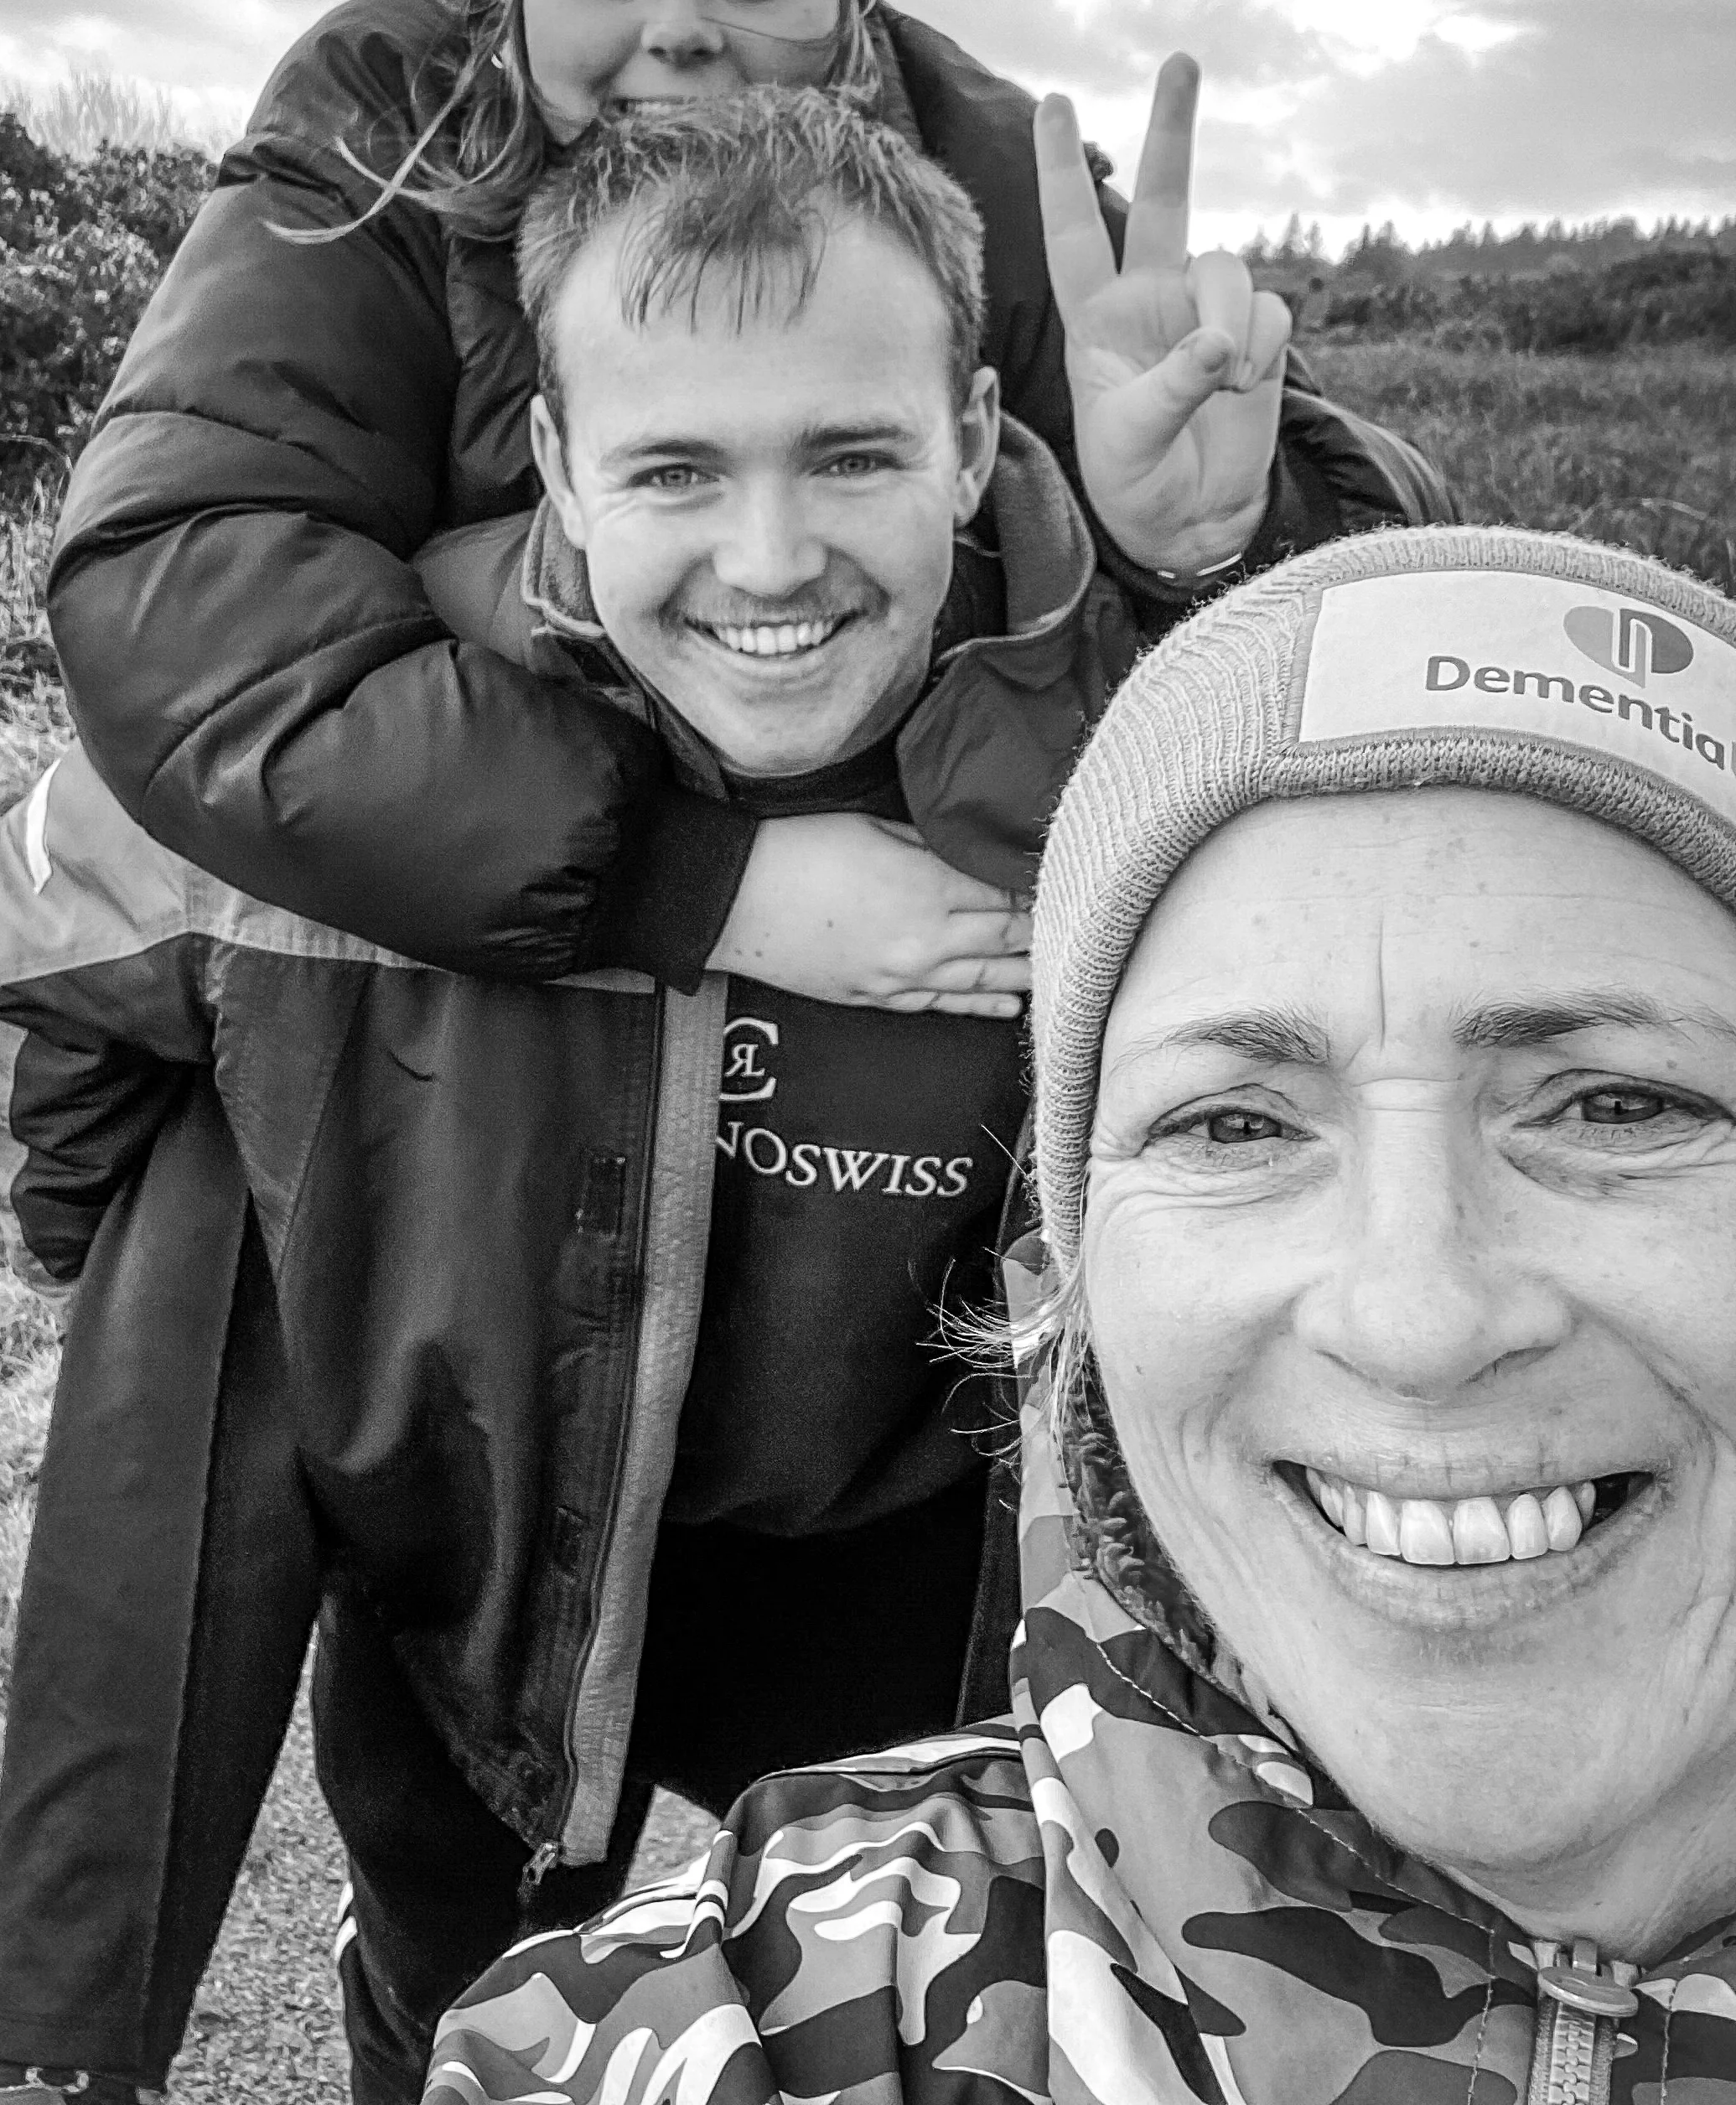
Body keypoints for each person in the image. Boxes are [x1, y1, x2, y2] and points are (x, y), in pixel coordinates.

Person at [0, 90, 1192, 2105]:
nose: (769, 560)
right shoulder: (374, 731)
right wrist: (258, 1273)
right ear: (555, 458)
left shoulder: (1130, 722)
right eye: (678, 467)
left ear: (976, 437)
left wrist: (1223, 537)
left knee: (964, 2013)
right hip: (494, 1549)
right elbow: (51, 960)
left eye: (855, 453)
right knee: (455, 2006)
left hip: (911, 1555)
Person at [419, 520, 1736, 2105]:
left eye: (1617, 1107)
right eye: (1233, 1126)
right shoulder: (741, 2030)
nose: (1417, 1318)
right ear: (1075, 1285)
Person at [43, 0, 1449, 1050]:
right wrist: (706, 889)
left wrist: (1215, 544)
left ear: (851, 1)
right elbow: (176, 607)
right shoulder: (384, 126)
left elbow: (1397, 615)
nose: (679, 26)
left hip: (909, 989)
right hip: (484, 981)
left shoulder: (985, 172)